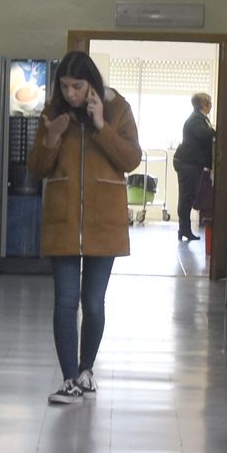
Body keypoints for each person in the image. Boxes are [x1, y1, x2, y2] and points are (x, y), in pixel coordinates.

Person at [28, 50, 143, 405]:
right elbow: (37, 167)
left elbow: (130, 159)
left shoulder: (117, 108)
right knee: (65, 302)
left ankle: (86, 371)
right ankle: (68, 380)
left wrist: (100, 125)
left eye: (77, 86)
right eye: (64, 87)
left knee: (92, 303)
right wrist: (52, 138)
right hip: (63, 220)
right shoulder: (53, 113)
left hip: (103, 222)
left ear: (91, 83)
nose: (71, 94)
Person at [172, 92, 215, 242]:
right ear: (203, 105)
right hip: (187, 163)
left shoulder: (200, 118)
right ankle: (184, 229)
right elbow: (204, 135)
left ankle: (185, 229)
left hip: (191, 163)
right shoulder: (197, 120)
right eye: (209, 103)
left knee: (188, 196)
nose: (210, 106)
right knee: (186, 197)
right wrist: (216, 131)